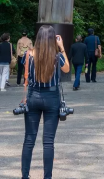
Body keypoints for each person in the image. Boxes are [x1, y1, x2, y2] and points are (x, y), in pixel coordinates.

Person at [20, 25, 70, 179]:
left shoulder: (29, 54)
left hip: (33, 97)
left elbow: (26, 75)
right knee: (48, 142)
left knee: (29, 139)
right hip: (52, 98)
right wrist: (61, 48)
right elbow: (67, 69)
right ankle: (47, 177)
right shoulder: (56, 56)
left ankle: (25, 176)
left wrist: (25, 97)